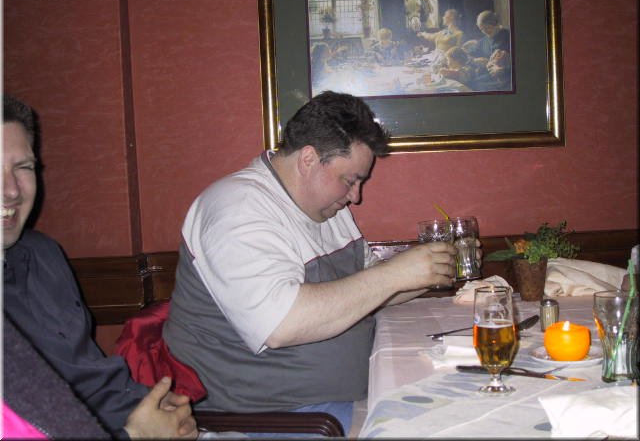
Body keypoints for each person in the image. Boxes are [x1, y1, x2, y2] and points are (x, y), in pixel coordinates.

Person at [163, 91, 463, 434]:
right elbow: (281, 324)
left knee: (456, 407)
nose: (355, 196)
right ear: (308, 159)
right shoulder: (236, 209)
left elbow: (367, 289)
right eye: (350, 180)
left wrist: (427, 271)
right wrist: (396, 275)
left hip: (339, 400)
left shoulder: (327, 208)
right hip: (273, 418)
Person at [2, 94, 198, 439]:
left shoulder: (43, 254)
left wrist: (155, 408)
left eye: (23, 167)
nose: (12, 191)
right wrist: (137, 435)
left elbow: (90, 380)